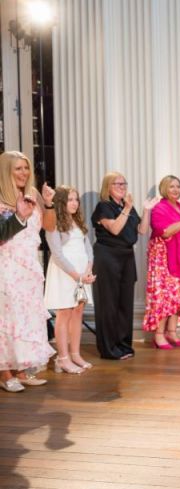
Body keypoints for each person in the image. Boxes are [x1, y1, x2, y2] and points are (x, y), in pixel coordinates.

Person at [0, 151, 56, 393]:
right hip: (6, 268)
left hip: (29, 270)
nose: (24, 173)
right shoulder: (1, 198)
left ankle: (22, 370)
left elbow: (49, 226)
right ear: (6, 171)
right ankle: (4, 373)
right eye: (18, 169)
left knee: (25, 322)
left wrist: (49, 203)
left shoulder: (32, 195)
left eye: (26, 168)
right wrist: (18, 215)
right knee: (7, 322)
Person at [91, 172, 156, 360]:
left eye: (124, 183)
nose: (122, 186)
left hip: (126, 257)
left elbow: (142, 230)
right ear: (108, 187)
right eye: (117, 183)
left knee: (124, 304)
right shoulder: (104, 206)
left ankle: (123, 345)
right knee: (109, 304)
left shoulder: (127, 206)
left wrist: (146, 210)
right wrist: (127, 208)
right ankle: (109, 349)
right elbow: (115, 229)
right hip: (107, 257)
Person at [143, 175, 180, 347]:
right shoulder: (159, 208)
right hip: (163, 258)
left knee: (177, 295)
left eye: (178, 186)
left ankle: (172, 332)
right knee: (165, 296)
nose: (176, 190)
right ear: (164, 189)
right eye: (171, 187)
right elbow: (166, 232)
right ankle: (159, 334)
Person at [44, 186, 96, 374]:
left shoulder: (78, 222)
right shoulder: (53, 223)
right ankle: (62, 358)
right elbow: (57, 254)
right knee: (64, 313)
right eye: (70, 200)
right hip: (65, 273)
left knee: (77, 312)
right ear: (60, 203)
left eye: (76, 200)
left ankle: (75, 354)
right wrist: (77, 276)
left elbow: (87, 247)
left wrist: (88, 268)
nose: (74, 203)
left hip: (81, 273)